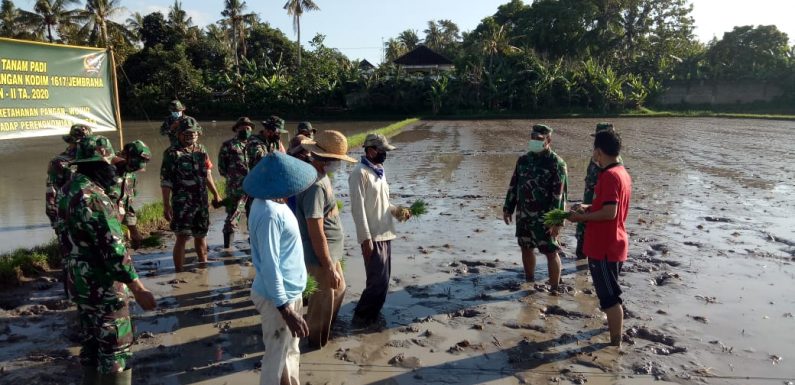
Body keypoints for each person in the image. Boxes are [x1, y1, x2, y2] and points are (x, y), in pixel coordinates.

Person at [58, 135, 157, 385]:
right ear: (97, 165)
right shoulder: (95, 198)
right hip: (103, 285)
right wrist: (139, 288)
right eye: (109, 164)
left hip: (78, 281)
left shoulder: (69, 189)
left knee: (92, 345)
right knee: (116, 349)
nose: (114, 168)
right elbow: (113, 250)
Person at [243, 152, 317, 385]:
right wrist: (285, 309)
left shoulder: (272, 202)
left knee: (290, 351)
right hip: (278, 298)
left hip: (287, 292)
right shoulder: (269, 214)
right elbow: (270, 265)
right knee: (276, 357)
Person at [567, 129, 632, 347]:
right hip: (614, 243)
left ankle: (615, 344)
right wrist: (586, 207)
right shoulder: (621, 172)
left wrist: (580, 218)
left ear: (598, 151)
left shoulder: (610, 176)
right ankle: (614, 335)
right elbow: (605, 206)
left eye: (594, 149)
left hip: (605, 247)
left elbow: (610, 212)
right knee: (609, 293)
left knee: (610, 298)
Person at [295, 131, 357, 348]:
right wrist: (328, 265)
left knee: (339, 290)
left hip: (331, 253)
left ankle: (324, 331)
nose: (338, 165)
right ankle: (315, 343)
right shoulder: (314, 185)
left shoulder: (321, 177)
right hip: (321, 256)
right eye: (336, 161)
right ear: (324, 159)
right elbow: (315, 229)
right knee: (322, 302)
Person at [348, 133, 406, 325]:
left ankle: (373, 314)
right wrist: (366, 240)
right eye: (382, 151)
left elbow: (383, 203)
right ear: (371, 151)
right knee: (376, 282)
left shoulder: (379, 171)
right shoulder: (359, 173)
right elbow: (358, 209)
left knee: (383, 281)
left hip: (385, 232)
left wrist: (398, 211)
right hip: (373, 236)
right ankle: (361, 317)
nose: (384, 155)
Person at [503, 124, 568, 289]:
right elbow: (514, 185)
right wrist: (507, 207)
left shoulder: (556, 164)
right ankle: (529, 281)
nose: (534, 142)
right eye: (532, 138)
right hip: (524, 216)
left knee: (551, 252)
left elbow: (560, 196)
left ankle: (554, 288)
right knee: (525, 248)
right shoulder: (523, 160)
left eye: (539, 139)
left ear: (548, 140)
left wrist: (556, 221)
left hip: (545, 218)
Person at [161, 117, 222, 272]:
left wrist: (216, 194)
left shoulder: (201, 150)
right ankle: (179, 273)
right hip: (182, 203)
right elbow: (166, 181)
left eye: (194, 132)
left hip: (201, 201)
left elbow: (208, 174)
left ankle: (204, 267)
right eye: (187, 132)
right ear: (179, 134)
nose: (191, 135)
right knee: (181, 237)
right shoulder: (171, 153)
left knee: (201, 235)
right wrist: (166, 205)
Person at [576, 123, 622, 261]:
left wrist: (583, 216)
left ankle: (586, 269)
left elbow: (609, 212)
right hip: (590, 205)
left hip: (600, 217)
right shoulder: (596, 159)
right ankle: (582, 272)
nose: (595, 146)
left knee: (593, 249)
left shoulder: (612, 168)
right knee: (583, 241)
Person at [46, 124, 93, 231]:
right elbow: (51, 196)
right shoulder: (59, 163)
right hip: (70, 218)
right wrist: (58, 226)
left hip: (93, 215)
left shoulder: (94, 159)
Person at [218, 117, 254, 248]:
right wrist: (234, 177)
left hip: (254, 188)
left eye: (248, 127)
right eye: (242, 127)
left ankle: (253, 245)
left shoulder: (256, 145)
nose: (245, 130)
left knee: (254, 217)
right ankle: (227, 248)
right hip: (236, 189)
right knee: (233, 217)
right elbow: (222, 168)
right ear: (236, 129)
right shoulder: (228, 145)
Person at [113, 140, 152, 250]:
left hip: (115, 225)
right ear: (125, 155)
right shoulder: (105, 170)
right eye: (133, 166)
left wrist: (133, 230)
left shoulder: (129, 174)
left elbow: (125, 203)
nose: (134, 170)